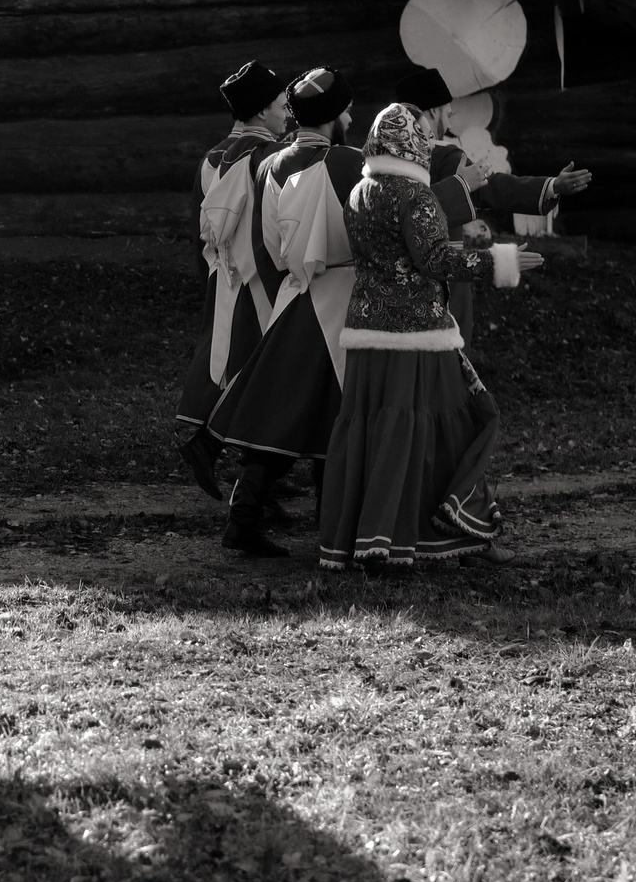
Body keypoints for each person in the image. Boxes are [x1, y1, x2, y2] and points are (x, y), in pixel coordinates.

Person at [315, 102, 543, 571]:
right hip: (417, 331)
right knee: (460, 423)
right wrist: (501, 261)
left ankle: (373, 537)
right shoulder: (414, 196)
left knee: (374, 431)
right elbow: (436, 261)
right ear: (412, 141)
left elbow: (386, 256)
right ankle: (460, 529)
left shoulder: (360, 192)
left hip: (365, 331)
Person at [201, 67, 363, 556]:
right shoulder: (352, 163)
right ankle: (333, 524)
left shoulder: (272, 164)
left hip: (294, 295)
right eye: (347, 109)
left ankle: (245, 519)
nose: (352, 116)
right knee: (338, 407)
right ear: (334, 115)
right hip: (343, 295)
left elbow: (270, 244)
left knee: (285, 409)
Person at [394, 69, 592, 341]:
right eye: (447, 114)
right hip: (443, 278)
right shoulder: (443, 155)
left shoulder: (377, 161)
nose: (447, 121)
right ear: (431, 112)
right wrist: (551, 186)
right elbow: (493, 187)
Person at [174, 59, 295, 500]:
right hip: (262, 282)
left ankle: (254, 483)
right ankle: (233, 461)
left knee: (230, 365)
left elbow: (198, 230)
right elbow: (278, 223)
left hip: (222, 278)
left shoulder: (211, 158)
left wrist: (210, 275)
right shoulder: (269, 156)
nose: (287, 114)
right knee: (267, 373)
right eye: (282, 106)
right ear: (262, 111)